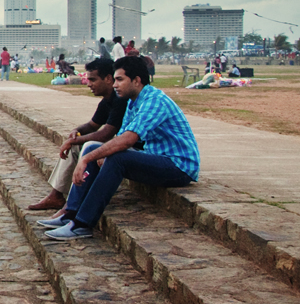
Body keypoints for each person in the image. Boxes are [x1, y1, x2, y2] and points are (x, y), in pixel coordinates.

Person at [39, 56, 199, 240]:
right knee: (94, 149)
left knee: (116, 158)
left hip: (178, 166)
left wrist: (85, 159)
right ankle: (71, 212)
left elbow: (127, 140)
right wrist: (94, 153)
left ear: (137, 80)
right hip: (156, 157)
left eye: (120, 79)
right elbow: (120, 136)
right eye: (115, 79)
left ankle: (82, 224)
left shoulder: (155, 101)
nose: (115, 85)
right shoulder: (133, 101)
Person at [27, 58, 128, 212]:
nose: (88, 84)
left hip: (131, 148)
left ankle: (61, 198)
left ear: (108, 79)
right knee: (77, 143)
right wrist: (76, 132)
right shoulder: (106, 102)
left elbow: (105, 134)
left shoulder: (120, 101)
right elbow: (92, 125)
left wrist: (74, 141)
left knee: (80, 146)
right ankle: (57, 196)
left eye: (93, 80)